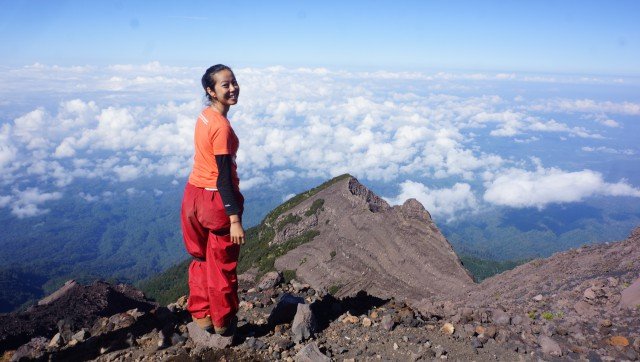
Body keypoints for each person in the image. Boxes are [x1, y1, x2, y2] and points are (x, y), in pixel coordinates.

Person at [180, 64, 245, 336]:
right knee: (222, 265)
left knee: (200, 258)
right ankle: (223, 324)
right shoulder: (221, 127)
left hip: (192, 197)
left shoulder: (204, 117)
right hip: (215, 202)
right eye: (224, 85)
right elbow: (223, 178)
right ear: (211, 91)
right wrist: (235, 220)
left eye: (234, 82)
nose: (232, 88)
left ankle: (202, 315)